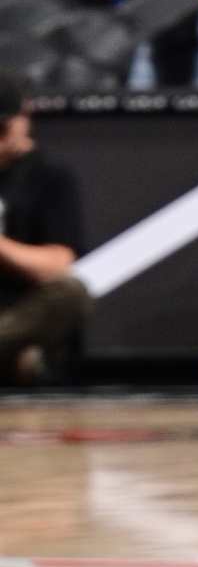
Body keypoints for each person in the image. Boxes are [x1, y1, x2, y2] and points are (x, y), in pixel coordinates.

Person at [0, 78, 90, 381]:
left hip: (16, 310)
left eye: (1, 130)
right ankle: (13, 359)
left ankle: (13, 353)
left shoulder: (49, 174)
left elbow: (57, 264)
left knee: (70, 293)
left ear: (22, 120)